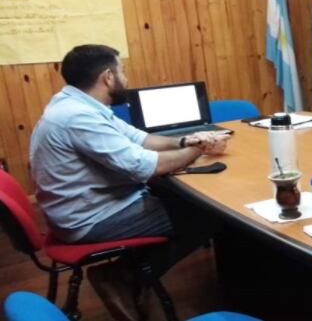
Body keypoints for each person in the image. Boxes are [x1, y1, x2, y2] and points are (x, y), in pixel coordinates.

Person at [30, 44, 231, 321]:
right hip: (90, 219)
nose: (126, 78)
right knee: (211, 212)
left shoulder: (77, 104)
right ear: (107, 77)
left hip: (88, 206)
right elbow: (148, 166)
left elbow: (141, 139)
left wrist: (188, 140)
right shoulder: (78, 117)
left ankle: (130, 271)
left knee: (186, 199)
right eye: (122, 70)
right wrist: (202, 149)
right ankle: (123, 277)